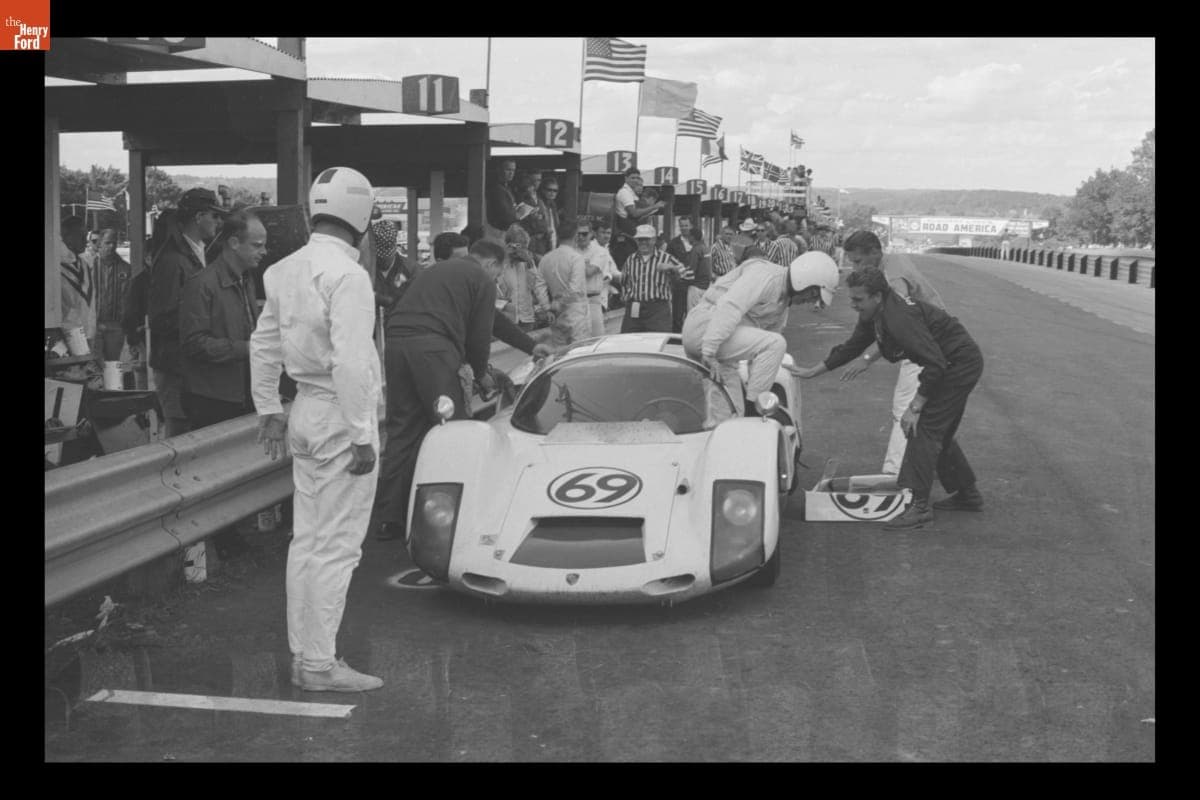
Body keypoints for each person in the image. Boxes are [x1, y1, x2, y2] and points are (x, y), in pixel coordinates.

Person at [249, 166, 384, 693]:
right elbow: (352, 362)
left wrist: (268, 406)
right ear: (361, 216)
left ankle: (305, 656)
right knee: (337, 547)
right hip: (338, 414)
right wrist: (363, 436)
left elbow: (263, 343)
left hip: (303, 407)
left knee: (306, 542)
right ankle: (320, 665)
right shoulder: (349, 276)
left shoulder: (284, 269)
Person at [372, 239, 551, 543]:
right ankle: (456, 516)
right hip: (433, 352)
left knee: (402, 429)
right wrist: (481, 373)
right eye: (497, 276)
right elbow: (481, 338)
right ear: (493, 265)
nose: (495, 282)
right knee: (454, 430)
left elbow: (494, 321)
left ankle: (390, 517)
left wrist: (531, 346)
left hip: (397, 347)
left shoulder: (435, 271)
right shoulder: (480, 278)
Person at [789, 267, 985, 530]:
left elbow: (935, 365)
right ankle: (968, 495)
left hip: (957, 364)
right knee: (940, 432)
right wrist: (816, 369)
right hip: (949, 361)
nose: (853, 305)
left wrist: (915, 406)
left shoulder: (899, 318)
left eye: (858, 300)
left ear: (877, 296)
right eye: (852, 299)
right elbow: (854, 345)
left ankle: (918, 507)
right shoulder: (876, 313)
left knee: (923, 429)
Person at [837, 230, 947, 475]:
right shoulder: (892, 261)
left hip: (925, 342)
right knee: (931, 417)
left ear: (875, 253)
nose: (853, 268)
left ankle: (895, 474)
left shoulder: (893, 277)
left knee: (904, 409)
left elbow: (896, 327)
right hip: (931, 338)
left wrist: (866, 359)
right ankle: (953, 478)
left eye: (857, 261)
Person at [682, 251, 838, 417]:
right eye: (813, 295)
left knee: (731, 416)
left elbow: (761, 355)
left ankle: (746, 418)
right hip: (705, 328)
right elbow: (730, 306)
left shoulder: (782, 306)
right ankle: (756, 412)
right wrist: (709, 352)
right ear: (804, 282)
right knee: (776, 344)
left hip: (719, 346)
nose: (809, 301)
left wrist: (750, 382)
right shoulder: (765, 274)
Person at [148, 188, 226, 437]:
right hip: (175, 370)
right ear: (199, 216)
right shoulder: (172, 260)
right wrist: (208, 323)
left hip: (189, 369)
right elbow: (161, 319)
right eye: (214, 216)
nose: (218, 221)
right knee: (179, 441)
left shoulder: (195, 253)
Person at [180, 210, 266, 428]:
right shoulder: (201, 284)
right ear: (234, 243)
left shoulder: (246, 280)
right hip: (212, 399)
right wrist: (247, 348)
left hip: (242, 392)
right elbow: (193, 343)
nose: (264, 252)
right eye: (257, 245)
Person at [619, 224, 685, 333]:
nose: (643, 243)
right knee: (629, 341)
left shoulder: (665, 258)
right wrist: (627, 297)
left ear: (654, 240)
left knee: (657, 341)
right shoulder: (630, 259)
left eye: (647, 239)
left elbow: (686, 273)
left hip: (658, 309)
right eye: (640, 240)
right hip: (635, 308)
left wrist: (672, 267)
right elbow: (624, 281)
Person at [537, 217, 591, 347]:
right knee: (579, 353)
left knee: (559, 354)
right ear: (575, 236)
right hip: (576, 311)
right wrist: (556, 306)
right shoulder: (576, 258)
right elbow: (575, 289)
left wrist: (548, 308)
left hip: (555, 314)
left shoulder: (546, 258)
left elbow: (539, 286)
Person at [497, 223, 550, 332]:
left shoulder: (527, 262)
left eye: (524, 246)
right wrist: (505, 258)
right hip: (508, 319)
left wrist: (530, 263)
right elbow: (497, 285)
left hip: (526, 318)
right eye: (518, 246)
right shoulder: (500, 262)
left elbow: (535, 286)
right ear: (509, 245)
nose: (521, 251)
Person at [92, 228, 134, 360]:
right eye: (108, 242)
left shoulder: (126, 268)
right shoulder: (89, 266)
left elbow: (130, 297)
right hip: (94, 325)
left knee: (113, 366)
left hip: (116, 325)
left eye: (114, 243)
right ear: (99, 244)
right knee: (95, 364)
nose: (112, 246)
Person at [611, 169, 665, 268]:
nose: (635, 180)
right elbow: (634, 213)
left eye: (637, 178)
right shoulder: (624, 193)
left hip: (633, 236)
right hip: (626, 237)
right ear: (626, 178)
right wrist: (654, 207)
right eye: (632, 178)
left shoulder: (632, 193)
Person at [579, 220, 622, 335]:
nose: (606, 236)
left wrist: (628, 276)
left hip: (601, 299)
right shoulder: (590, 248)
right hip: (585, 300)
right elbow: (588, 272)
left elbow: (614, 271)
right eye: (603, 232)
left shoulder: (605, 249)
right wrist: (608, 276)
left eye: (608, 233)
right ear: (594, 233)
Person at [666, 217, 707, 333]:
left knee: (694, 315)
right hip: (680, 285)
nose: (684, 228)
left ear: (691, 226)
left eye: (686, 225)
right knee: (678, 314)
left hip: (695, 286)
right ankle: (676, 340)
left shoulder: (699, 244)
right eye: (682, 226)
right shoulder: (673, 243)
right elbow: (667, 260)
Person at [59, 216, 96, 344]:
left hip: (87, 332)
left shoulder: (84, 264)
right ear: (68, 236)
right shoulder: (53, 265)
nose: (86, 241)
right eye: (81, 236)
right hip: (64, 335)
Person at [524, 177, 561, 259]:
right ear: (543, 190)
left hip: (553, 245)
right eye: (549, 190)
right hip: (539, 247)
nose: (552, 193)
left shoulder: (553, 206)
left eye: (555, 191)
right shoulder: (537, 204)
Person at [485, 158, 519, 239]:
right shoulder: (496, 189)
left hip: (505, 232)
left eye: (513, 170)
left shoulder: (507, 188)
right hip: (498, 233)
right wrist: (518, 214)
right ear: (499, 170)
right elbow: (506, 217)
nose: (511, 173)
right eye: (508, 170)